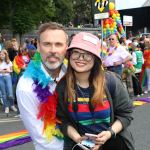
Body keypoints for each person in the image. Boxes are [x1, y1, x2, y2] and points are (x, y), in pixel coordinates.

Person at [56, 32, 134, 150]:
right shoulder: (62, 87)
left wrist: (109, 133)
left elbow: (125, 114)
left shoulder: (111, 81)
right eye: (76, 52)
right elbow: (62, 121)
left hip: (114, 144)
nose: (80, 58)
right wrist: (78, 138)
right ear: (69, 55)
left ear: (95, 59)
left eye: (87, 54)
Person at [16, 22, 68, 150]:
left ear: (66, 47)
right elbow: (43, 139)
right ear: (38, 46)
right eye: (47, 44)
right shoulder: (26, 87)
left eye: (58, 44)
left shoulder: (73, 73)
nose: (53, 50)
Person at [0, 49, 17, 114]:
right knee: (4, 94)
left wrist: (5, 71)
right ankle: (6, 107)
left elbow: (11, 70)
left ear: (5, 55)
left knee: (10, 93)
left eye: (2, 54)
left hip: (7, 77)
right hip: (1, 78)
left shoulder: (9, 62)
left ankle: (12, 105)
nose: (1, 55)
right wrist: (2, 71)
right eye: (0, 54)